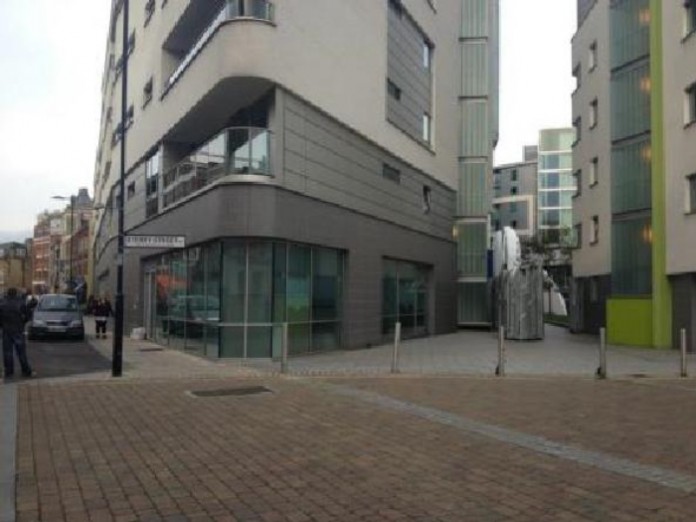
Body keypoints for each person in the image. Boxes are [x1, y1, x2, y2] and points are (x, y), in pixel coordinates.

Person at [1, 287, 34, 379]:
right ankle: (25, 370)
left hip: (6, 330)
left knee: (7, 352)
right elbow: (28, 315)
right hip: (18, 329)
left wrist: (2, 325)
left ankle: (9, 371)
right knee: (21, 352)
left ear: (7, 294)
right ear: (16, 294)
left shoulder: (2, 303)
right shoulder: (21, 302)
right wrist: (23, 322)